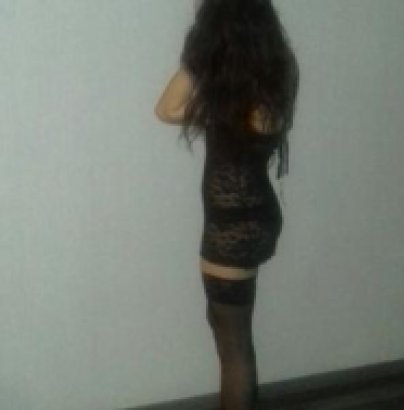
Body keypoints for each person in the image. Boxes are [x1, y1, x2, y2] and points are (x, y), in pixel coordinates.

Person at [154, 1, 299, 409]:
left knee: (233, 344)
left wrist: (201, 56)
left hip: (230, 225)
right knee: (230, 331)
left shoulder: (222, 80)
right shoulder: (277, 68)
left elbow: (165, 109)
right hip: (258, 214)